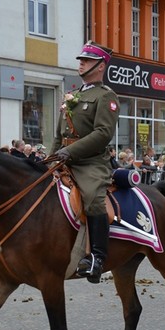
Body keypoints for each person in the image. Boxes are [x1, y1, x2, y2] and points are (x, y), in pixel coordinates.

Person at [52, 40, 118, 283]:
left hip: (90, 162)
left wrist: (71, 152)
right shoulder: (75, 95)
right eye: (80, 60)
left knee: (92, 198)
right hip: (64, 159)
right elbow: (59, 135)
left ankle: (97, 258)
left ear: (101, 66)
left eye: (87, 60)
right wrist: (51, 158)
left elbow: (103, 134)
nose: (81, 63)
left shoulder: (106, 96)